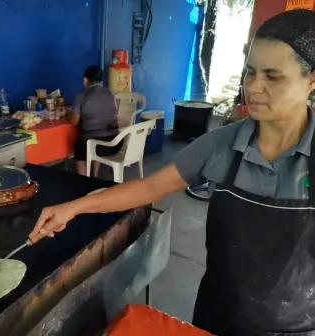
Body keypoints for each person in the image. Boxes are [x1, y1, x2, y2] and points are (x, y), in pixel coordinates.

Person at [31, 9, 315, 335]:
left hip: (294, 329)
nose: (253, 87)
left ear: (311, 80)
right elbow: (148, 188)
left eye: (272, 76)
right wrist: (74, 207)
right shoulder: (221, 145)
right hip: (217, 319)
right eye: (249, 72)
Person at [69, 65, 123, 177]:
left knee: (80, 147)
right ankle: (95, 174)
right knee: (95, 138)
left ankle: (83, 180)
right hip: (116, 143)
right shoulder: (110, 93)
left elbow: (74, 121)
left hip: (96, 146)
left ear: (85, 80)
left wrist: (68, 114)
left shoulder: (81, 96)